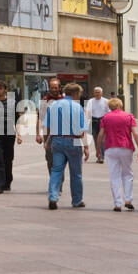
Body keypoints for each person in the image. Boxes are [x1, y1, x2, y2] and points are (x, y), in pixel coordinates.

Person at [44, 82, 90, 210]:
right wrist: (86, 147)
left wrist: (47, 141)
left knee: (56, 170)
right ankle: (77, 200)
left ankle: (53, 197)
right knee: (76, 173)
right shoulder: (77, 107)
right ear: (75, 93)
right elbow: (82, 130)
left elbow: (48, 126)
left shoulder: (54, 105)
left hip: (57, 140)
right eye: (79, 94)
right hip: (73, 141)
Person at [100, 97, 138, 211]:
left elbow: (101, 135)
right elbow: (135, 134)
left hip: (111, 148)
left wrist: (98, 149)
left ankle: (117, 203)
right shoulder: (129, 116)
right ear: (121, 105)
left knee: (114, 175)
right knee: (127, 174)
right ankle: (128, 199)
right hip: (126, 147)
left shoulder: (105, 117)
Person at [36, 78, 64, 174]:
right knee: (50, 159)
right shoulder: (45, 100)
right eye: (52, 88)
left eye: (55, 88)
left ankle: (58, 182)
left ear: (59, 88)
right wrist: (37, 134)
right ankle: (53, 180)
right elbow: (40, 118)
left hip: (62, 135)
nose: (54, 90)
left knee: (60, 160)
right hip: (48, 135)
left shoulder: (64, 100)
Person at [85, 87, 110, 164]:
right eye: (95, 92)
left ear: (101, 93)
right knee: (96, 140)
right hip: (94, 121)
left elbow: (109, 111)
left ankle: (101, 156)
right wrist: (86, 122)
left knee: (103, 140)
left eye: (98, 92)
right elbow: (88, 111)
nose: (97, 93)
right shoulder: (90, 101)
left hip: (103, 121)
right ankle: (99, 155)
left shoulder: (106, 101)